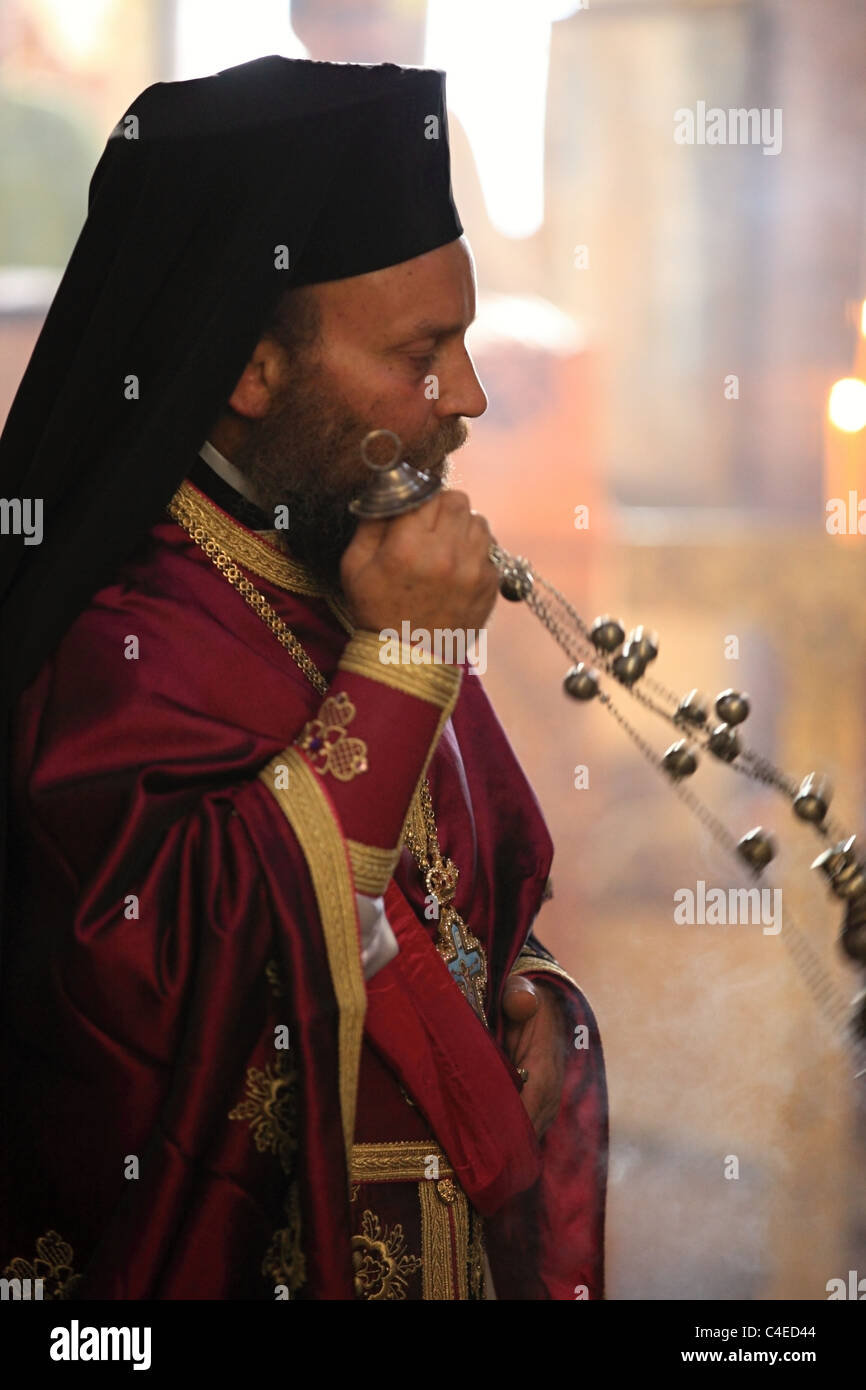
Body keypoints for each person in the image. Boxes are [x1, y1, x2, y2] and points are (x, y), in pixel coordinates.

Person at [0, 55, 607, 1301]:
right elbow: (154, 1005)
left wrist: (527, 983)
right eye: (419, 351)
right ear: (246, 367)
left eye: (468, 338)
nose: (471, 397)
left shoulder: (344, 556)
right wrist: (392, 668)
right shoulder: (113, 637)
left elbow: (455, 877)